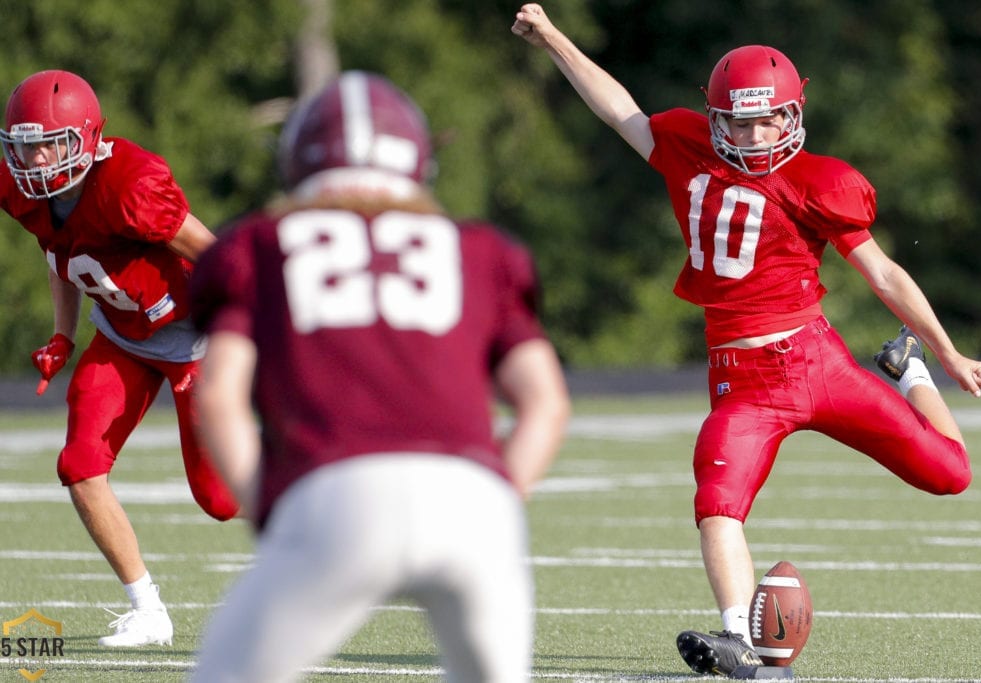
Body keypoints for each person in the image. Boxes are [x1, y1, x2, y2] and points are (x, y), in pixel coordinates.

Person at [512, 4, 981, 676]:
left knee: (952, 474)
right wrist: (555, 37)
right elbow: (618, 110)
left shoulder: (818, 182)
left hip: (816, 359)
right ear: (715, 117)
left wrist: (944, 351)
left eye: (770, 116)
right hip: (745, 380)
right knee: (716, 499)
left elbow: (882, 270)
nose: (757, 131)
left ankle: (908, 371)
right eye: (740, 118)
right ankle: (740, 637)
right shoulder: (686, 147)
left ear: (795, 114)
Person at [188, 70, 570, 683]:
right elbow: (545, 402)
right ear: (419, 164)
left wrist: (266, 502)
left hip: (335, 491)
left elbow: (219, 393)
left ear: (297, 165)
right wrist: (499, 492)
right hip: (473, 503)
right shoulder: (478, 249)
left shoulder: (258, 244)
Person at [0, 70, 239, 647]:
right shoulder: (24, 193)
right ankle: (148, 610)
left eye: (46, 143)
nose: (32, 158)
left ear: (84, 138)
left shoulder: (129, 186)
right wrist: (63, 335)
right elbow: (59, 256)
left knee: (220, 501)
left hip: (192, 343)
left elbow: (218, 259)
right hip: (122, 337)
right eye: (22, 143)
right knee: (79, 464)